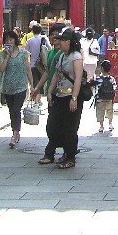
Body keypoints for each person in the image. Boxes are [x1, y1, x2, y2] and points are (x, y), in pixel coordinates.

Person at [39, 27, 84, 169]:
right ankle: (57, 152)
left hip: (71, 96)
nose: (59, 43)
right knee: (53, 126)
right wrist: (49, 92)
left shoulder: (76, 56)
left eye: (62, 40)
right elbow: (56, 75)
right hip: (59, 96)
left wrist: (74, 98)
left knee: (69, 128)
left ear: (68, 42)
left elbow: (78, 78)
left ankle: (70, 157)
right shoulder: (62, 56)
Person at [0, 29, 33, 148]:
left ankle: (14, 134)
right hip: (8, 87)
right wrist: (7, 55)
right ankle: (16, 131)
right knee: (11, 110)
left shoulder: (24, 53)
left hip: (21, 86)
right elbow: (2, 69)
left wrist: (32, 85)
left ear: (15, 40)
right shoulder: (3, 54)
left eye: (11, 39)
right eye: (7, 39)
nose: (9, 41)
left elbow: (28, 69)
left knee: (16, 110)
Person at [25, 24, 50, 105]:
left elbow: (26, 53)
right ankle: (37, 100)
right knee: (41, 82)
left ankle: (36, 100)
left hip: (32, 65)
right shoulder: (44, 38)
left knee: (35, 82)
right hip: (42, 65)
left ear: (32, 31)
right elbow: (49, 48)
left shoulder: (29, 41)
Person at [94, 59, 116, 133]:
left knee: (100, 112)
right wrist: (113, 99)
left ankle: (101, 126)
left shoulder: (98, 79)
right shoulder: (112, 79)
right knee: (110, 111)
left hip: (100, 99)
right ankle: (110, 124)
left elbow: (96, 88)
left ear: (102, 68)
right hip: (109, 99)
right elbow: (114, 89)